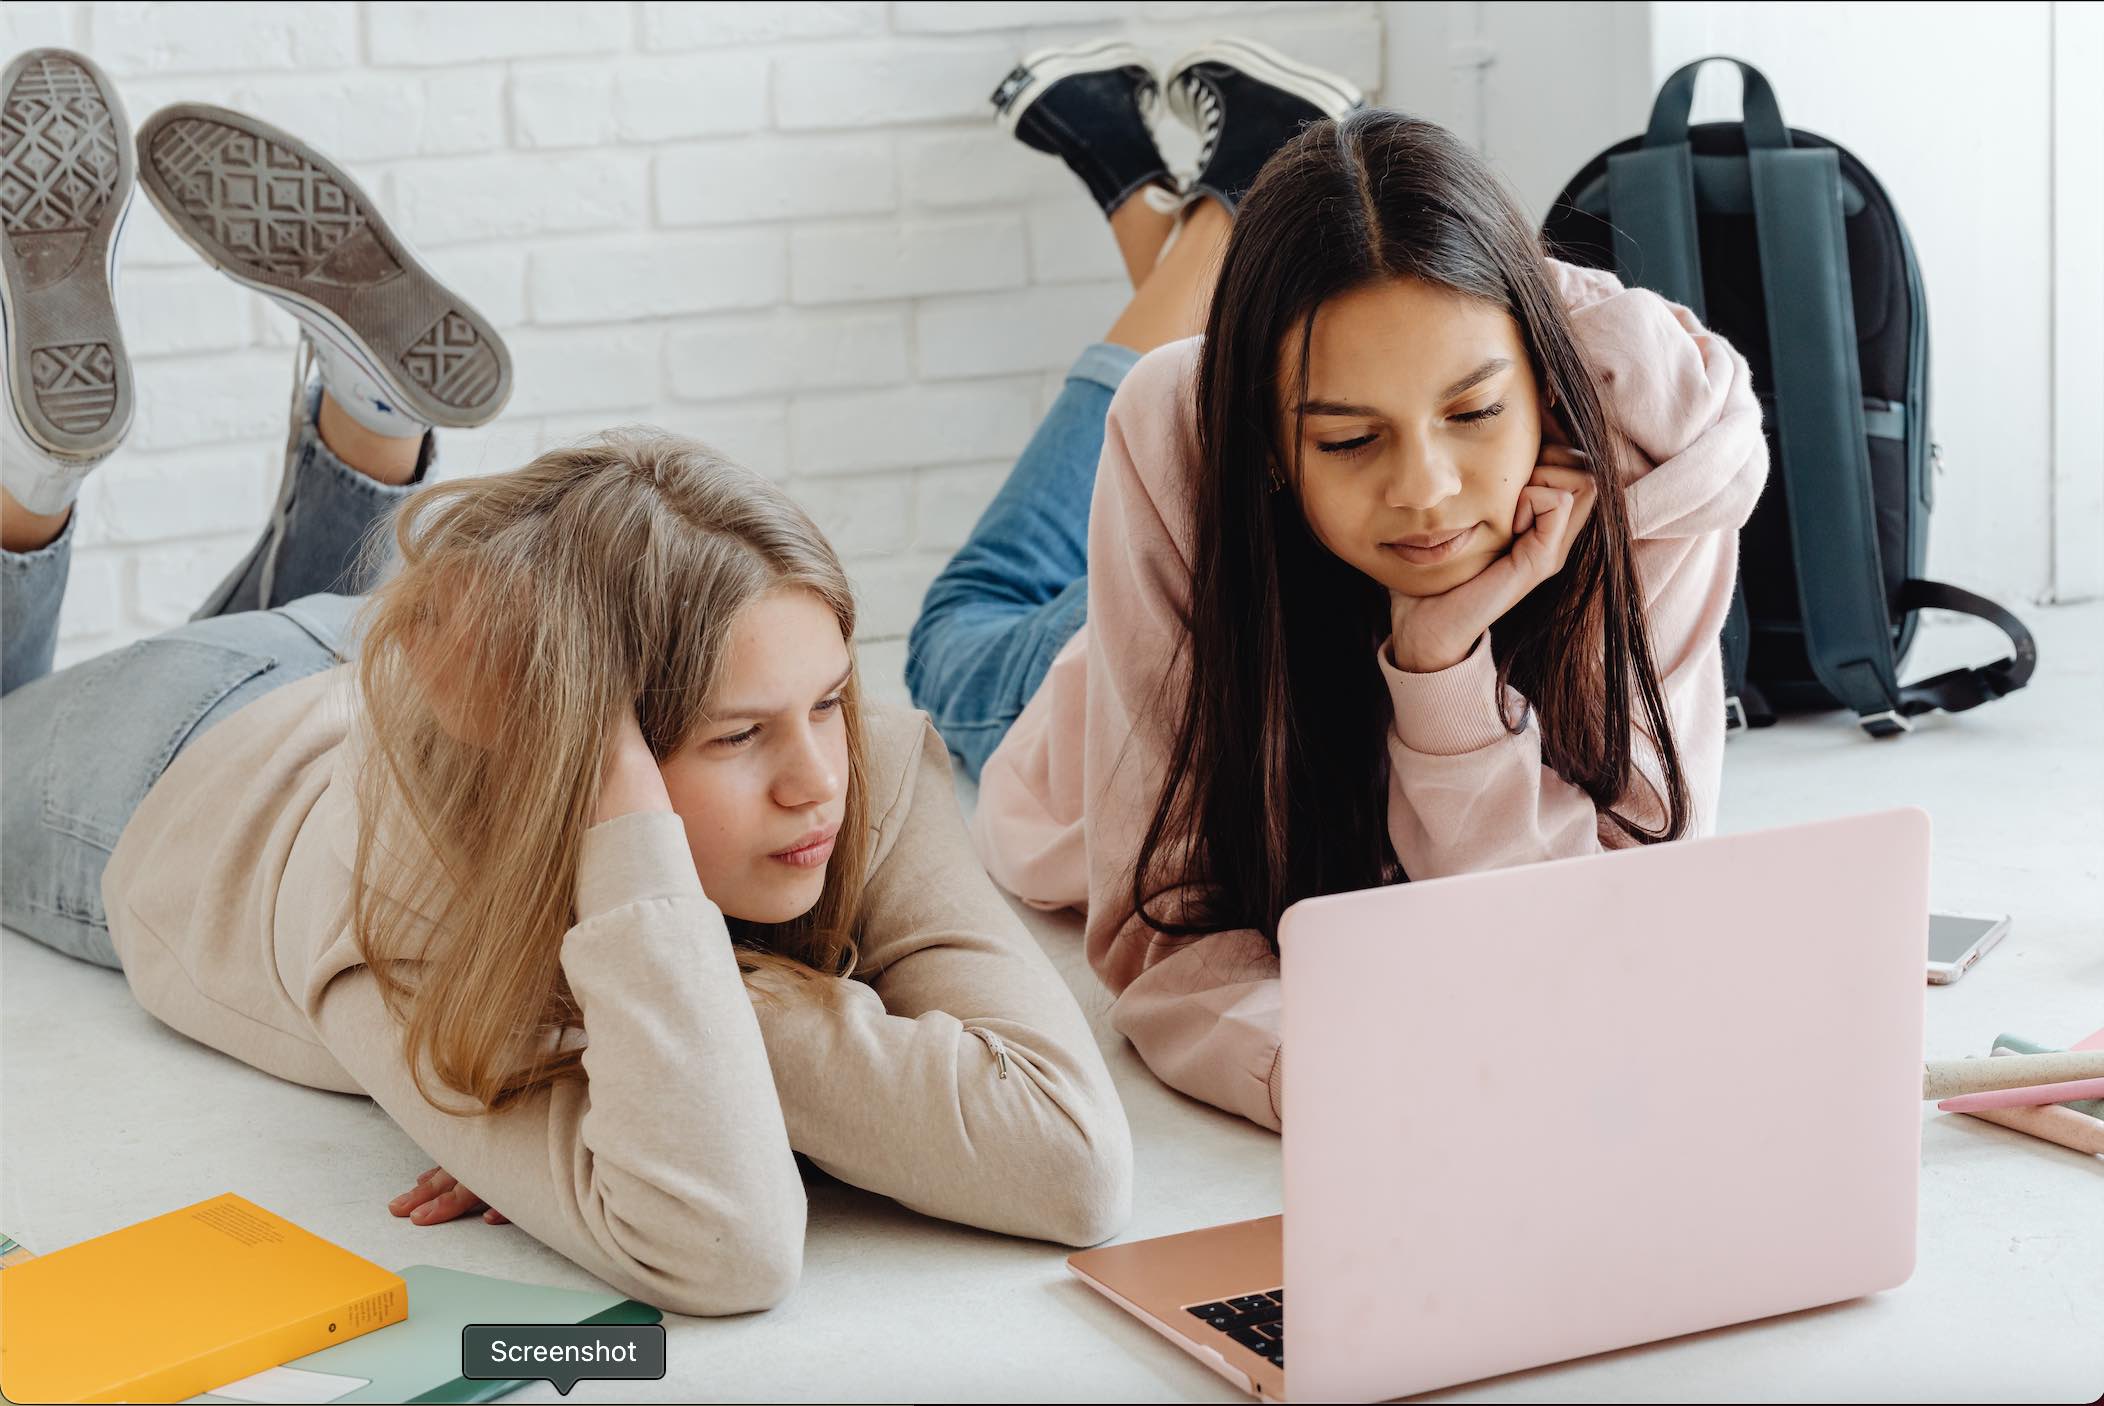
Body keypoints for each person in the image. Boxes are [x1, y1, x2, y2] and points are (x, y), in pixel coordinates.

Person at [0, 50, 1130, 1317]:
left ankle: (356, 418)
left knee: (320, 620)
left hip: (380, 640)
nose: (820, 775)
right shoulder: (424, 893)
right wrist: (648, 1042)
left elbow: (1072, 1166)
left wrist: (652, 1031)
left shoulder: (852, 758)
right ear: (597, 754)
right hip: (182, 753)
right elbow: (726, 1247)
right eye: (739, 735)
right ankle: (31, 479)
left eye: (824, 698)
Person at [908, 42, 1768, 1132]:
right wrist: (1352, 1087)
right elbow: (1166, 942)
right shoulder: (1183, 439)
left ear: (1545, 388)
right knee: (952, 637)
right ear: (1277, 444)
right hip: (1183, 610)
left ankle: (1218, 225)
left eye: (1473, 414)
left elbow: (1588, 928)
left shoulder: (1656, 465)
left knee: (1219, 376)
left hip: (1288, 514)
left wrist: (1443, 662)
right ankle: (1220, 232)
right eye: (1351, 436)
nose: (1428, 492)